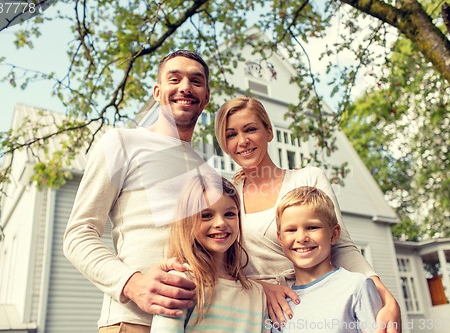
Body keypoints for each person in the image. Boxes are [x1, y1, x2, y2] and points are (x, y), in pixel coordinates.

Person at [214, 96, 401, 333]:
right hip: (253, 310)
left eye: (250, 129)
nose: (243, 141)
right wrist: (261, 288)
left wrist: (385, 296)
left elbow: (342, 247)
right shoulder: (228, 196)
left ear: (269, 132)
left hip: (314, 300)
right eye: (231, 135)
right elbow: (222, 264)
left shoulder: (307, 179)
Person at [63, 50, 214, 333]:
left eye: (196, 81)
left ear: (206, 96)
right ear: (158, 92)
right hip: (132, 322)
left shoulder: (209, 174)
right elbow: (78, 234)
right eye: (174, 79)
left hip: (198, 325)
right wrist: (133, 284)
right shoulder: (123, 142)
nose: (185, 87)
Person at [151, 174, 269, 332]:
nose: (220, 223)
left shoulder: (256, 293)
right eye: (206, 216)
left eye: (229, 214)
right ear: (187, 222)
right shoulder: (180, 283)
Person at [272, 186, 382, 332]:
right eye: (291, 230)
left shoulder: (357, 287)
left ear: (334, 234)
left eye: (312, 227)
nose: (301, 238)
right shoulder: (281, 304)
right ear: (280, 238)